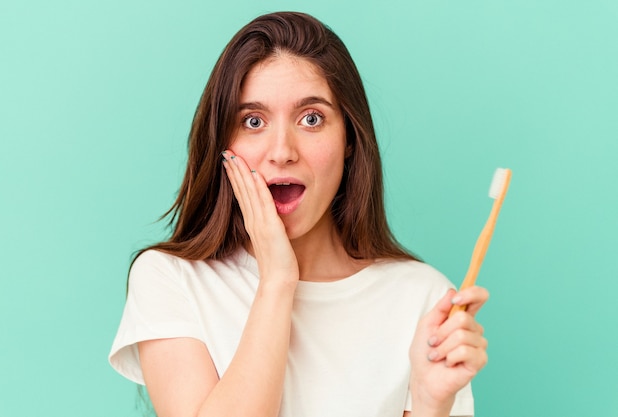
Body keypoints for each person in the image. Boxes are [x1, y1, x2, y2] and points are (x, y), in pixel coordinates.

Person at [109, 11, 489, 417]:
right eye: (253, 121)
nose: (282, 151)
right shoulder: (171, 280)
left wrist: (431, 404)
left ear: (349, 139)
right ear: (222, 141)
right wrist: (276, 280)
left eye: (311, 119)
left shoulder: (422, 299)